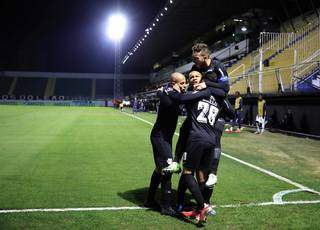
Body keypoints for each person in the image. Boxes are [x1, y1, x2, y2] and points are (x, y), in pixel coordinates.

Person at [168, 70, 225, 224]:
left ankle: (203, 205)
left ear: (202, 79)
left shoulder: (196, 95)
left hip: (196, 138)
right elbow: (224, 90)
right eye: (191, 77)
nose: (193, 79)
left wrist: (172, 89)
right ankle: (200, 209)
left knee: (187, 173)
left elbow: (179, 98)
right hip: (211, 140)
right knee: (201, 175)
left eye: (196, 76)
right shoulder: (215, 96)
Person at [144, 72, 186, 216]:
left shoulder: (169, 91)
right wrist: (163, 93)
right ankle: (166, 206)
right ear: (174, 82)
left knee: (159, 169)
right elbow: (169, 101)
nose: (184, 85)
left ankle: (149, 200)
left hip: (164, 137)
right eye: (181, 83)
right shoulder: (168, 93)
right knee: (168, 169)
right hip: (160, 137)